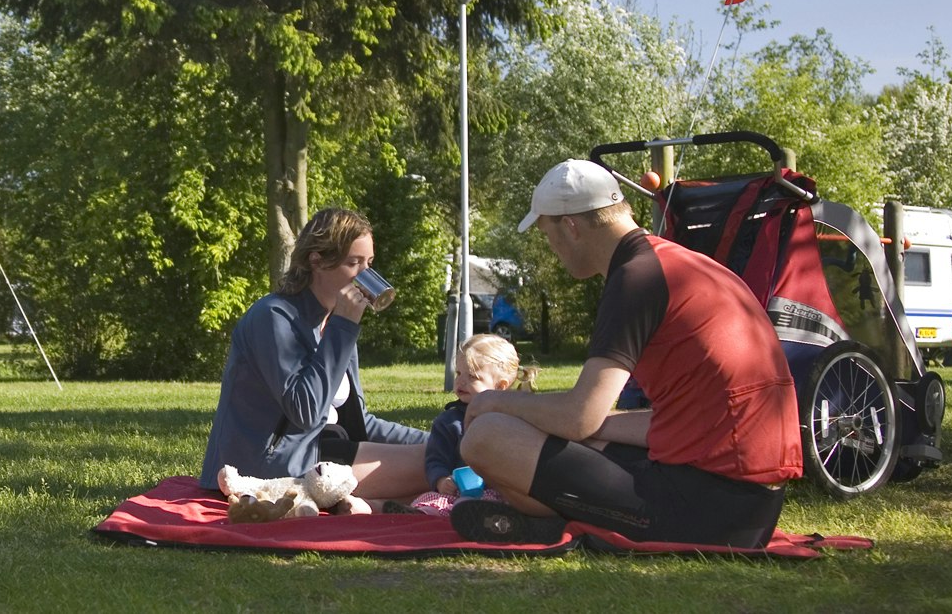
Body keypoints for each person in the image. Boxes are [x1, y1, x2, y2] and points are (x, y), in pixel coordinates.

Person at [454, 159, 802, 547]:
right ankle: (552, 518)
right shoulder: (677, 263)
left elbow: (578, 416)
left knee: (485, 436)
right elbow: (668, 420)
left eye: (546, 233)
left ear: (570, 227)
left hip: (710, 512)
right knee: (581, 435)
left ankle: (552, 521)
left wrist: (494, 402)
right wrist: (570, 427)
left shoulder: (635, 279)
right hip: (751, 506)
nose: (551, 248)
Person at [198, 208, 429, 510]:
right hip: (273, 466)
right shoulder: (274, 318)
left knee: (441, 450)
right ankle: (370, 503)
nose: (366, 276)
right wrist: (343, 329)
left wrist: (436, 435)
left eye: (369, 264)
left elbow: (357, 421)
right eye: (353, 263)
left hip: (326, 452)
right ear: (317, 260)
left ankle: (367, 503)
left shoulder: (334, 321)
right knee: (433, 463)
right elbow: (304, 411)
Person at [405, 333, 534, 515]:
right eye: (458, 373)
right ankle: (422, 515)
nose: (461, 381)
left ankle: (483, 519)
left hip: (499, 493)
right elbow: (435, 458)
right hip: (457, 491)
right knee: (429, 501)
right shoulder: (449, 422)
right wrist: (441, 480)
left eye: (472, 376)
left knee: (499, 506)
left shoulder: (512, 421)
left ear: (500, 386)